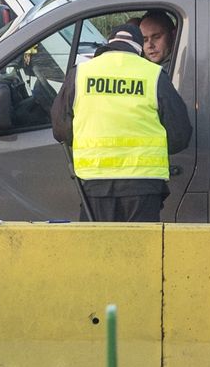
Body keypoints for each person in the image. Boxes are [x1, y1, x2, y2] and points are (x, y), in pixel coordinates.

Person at [51, 22, 192, 222]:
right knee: (140, 250)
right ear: (138, 48)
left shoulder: (80, 74)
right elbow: (180, 135)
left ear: (109, 44)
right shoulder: (153, 75)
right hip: (143, 187)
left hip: (94, 183)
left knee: (98, 250)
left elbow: (60, 130)